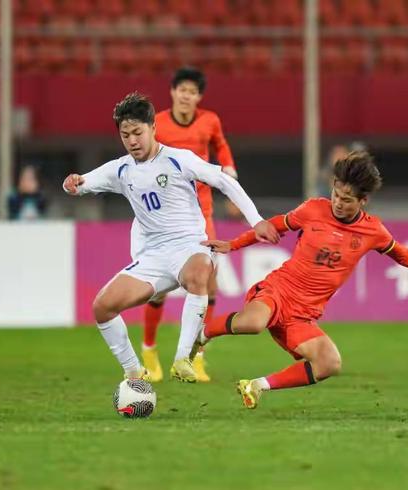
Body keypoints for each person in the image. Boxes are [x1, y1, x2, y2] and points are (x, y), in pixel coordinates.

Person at [196, 151, 408, 409]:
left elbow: (404, 255)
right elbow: (275, 224)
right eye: (336, 194)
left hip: (303, 314)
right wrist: (233, 244)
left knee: (329, 363)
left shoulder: (373, 231)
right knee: (253, 323)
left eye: (347, 200)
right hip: (279, 290)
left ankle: (257, 386)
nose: (339, 203)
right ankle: (201, 335)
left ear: (363, 201)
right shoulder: (313, 209)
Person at [62, 92, 279, 383]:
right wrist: (71, 184)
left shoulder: (179, 159)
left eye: (137, 132)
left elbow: (224, 181)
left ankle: (182, 359)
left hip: (190, 247)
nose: (132, 141)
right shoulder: (120, 169)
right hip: (152, 257)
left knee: (200, 273)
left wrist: (256, 221)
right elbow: (80, 184)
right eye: (125, 135)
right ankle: (134, 372)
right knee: (102, 307)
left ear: (153, 128)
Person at [138, 67, 238, 383]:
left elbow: (221, 146)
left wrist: (229, 170)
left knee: (209, 284)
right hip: (165, 216)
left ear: (199, 97)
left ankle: (197, 356)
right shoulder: (158, 124)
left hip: (202, 214)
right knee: (159, 287)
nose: (186, 96)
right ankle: (149, 350)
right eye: (182, 89)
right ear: (172, 92)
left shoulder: (210, 121)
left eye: (192, 92)